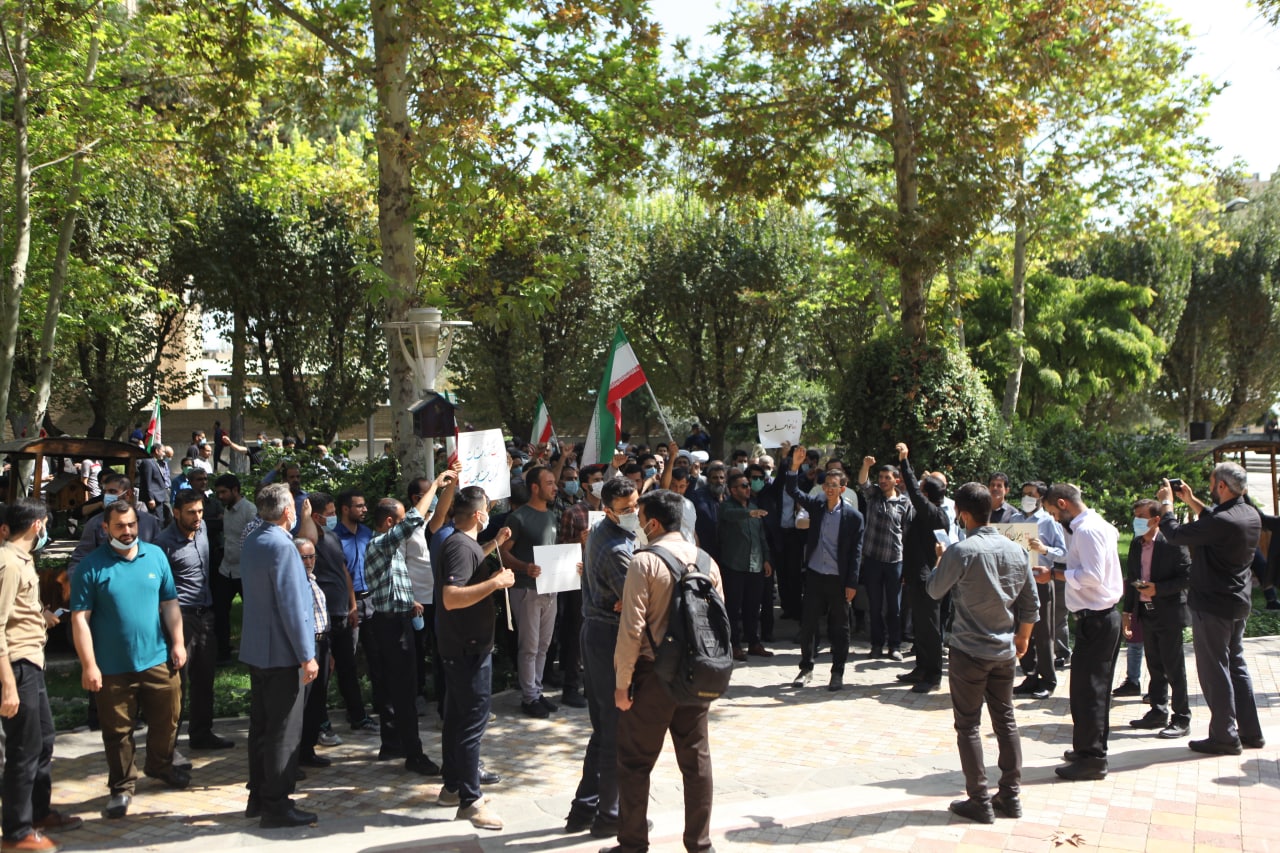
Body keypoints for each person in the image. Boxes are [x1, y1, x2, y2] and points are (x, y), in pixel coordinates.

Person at [611, 489, 722, 853]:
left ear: (654, 523)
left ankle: (632, 845)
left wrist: (622, 683)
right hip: (696, 674)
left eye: (641, 518)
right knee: (697, 762)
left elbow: (632, 629)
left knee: (634, 762)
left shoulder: (644, 562)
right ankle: (700, 845)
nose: (638, 525)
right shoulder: (707, 562)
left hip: (652, 677)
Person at [927, 482, 1038, 824]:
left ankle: (979, 800)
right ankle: (1011, 796)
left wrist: (940, 560)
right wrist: (1022, 638)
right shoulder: (1016, 550)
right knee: (1005, 721)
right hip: (1004, 650)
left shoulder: (960, 550)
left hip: (969, 650)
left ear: (962, 514)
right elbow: (1031, 604)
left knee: (968, 726)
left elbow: (934, 590)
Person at [70, 501, 189, 819]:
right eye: (120, 526)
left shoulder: (156, 556)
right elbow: (80, 619)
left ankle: (160, 765)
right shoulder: (91, 566)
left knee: (169, 718)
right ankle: (122, 787)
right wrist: (89, 665)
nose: (127, 531)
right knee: (117, 731)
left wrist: (178, 643)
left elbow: (170, 603)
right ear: (105, 528)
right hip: (112, 667)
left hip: (157, 659)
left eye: (132, 524)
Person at [1158, 463, 1264, 754]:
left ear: (1222, 486)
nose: (1209, 486)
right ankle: (1251, 732)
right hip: (1237, 602)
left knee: (1215, 670)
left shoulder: (1223, 522)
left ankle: (1224, 737)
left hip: (1213, 606)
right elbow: (1214, 521)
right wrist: (1191, 500)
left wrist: (1167, 504)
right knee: (1236, 666)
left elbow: (1174, 534)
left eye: (1211, 482)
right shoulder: (1248, 513)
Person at [1, 500, 83, 852]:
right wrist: (7, 684)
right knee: (23, 748)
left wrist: (40, 615)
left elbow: (17, 608)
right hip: (16, 667)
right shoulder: (7, 562)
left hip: (32, 663)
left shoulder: (22, 560)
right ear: (38, 525)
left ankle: (38, 811)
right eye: (46, 525)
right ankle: (16, 832)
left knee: (44, 739)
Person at [434, 486, 514, 831]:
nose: (489, 514)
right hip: (467, 648)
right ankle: (470, 800)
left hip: (463, 647)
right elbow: (452, 597)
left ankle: (453, 786)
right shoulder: (458, 546)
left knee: (457, 719)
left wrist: (494, 543)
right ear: (479, 515)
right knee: (471, 723)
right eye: (488, 510)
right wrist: (495, 583)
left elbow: (470, 563)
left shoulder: (463, 544)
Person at [364, 471, 455, 774]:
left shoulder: (386, 548)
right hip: (391, 626)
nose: (407, 523)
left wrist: (408, 601)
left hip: (394, 618)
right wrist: (437, 483)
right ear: (390, 522)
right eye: (401, 519)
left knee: (393, 687)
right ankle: (414, 754)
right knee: (403, 690)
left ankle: (392, 744)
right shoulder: (381, 543)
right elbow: (415, 519)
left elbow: (391, 581)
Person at [240, 484, 318, 828]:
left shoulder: (253, 540)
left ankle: (258, 797)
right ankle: (276, 804)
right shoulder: (283, 546)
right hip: (283, 653)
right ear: (288, 512)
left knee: (261, 728)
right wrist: (307, 655)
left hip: (258, 649)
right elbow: (292, 605)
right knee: (283, 732)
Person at [565, 476, 638, 838]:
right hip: (608, 638)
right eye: (626, 509)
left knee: (605, 729)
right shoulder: (616, 548)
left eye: (636, 505)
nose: (634, 513)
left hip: (599, 632)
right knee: (614, 730)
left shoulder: (610, 533)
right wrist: (637, 597)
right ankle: (609, 815)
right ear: (608, 510)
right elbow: (639, 603)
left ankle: (584, 808)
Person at [1043, 483, 1123, 781]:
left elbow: (1092, 576)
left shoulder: (1088, 530)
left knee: (1091, 691)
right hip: (1094, 618)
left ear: (1063, 503)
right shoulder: (1091, 526)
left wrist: (1054, 574)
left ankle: (1093, 758)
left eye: (1053, 512)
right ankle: (1087, 748)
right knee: (1083, 690)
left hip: (1098, 618)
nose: (1054, 519)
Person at [155, 489, 234, 752]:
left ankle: (202, 734)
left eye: (200, 511)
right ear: (176, 512)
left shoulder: (202, 531)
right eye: (191, 512)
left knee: (205, 679)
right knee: (177, 683)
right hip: (180, 618)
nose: (197, 517)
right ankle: (169, 746)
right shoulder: (163, 543)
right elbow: (158, 589)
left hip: (206, 615)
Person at [784, 446, 862, 692]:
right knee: (808, 624)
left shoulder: (853, 517)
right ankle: (806, 668)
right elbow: (793, 491)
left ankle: (837, 672)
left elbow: (856, 553)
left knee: (839, 627)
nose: (829, 489)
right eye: (826, 484)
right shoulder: (817, 504)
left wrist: (852, 583)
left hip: (839, 579)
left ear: (842, 489)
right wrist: (794, 466)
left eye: (834, 485)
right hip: (816, 574)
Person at [1123, 499, 1193, 739]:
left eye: (1141, 516)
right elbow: (1132, 577)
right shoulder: (1136, 544)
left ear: (1155, 519)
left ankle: (1181, 717)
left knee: (1174, 667)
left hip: (1169, 613)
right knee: (1154, 665)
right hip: (1146, 612)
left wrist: (1158, 589)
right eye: (1135, 516)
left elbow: (1187, 577)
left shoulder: (1172, 543)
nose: (1137, 521)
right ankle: (1157, 711)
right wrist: (1128, 612)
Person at [499, 466, 561, 719]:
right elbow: (502, 552)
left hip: (550, 588)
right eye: (550, 483)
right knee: (529, 646)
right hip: (526, 589)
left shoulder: (552, 515)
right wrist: (525, 567)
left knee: (543, 645)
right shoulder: (518, 517)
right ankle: (529, 697)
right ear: (535, 487)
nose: (555, 487)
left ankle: (536, 690)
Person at [894, 443, 950, 693]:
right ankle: (921, 668)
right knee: (920, 626)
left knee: (930, 628)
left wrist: (904, 461)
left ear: (926, 494)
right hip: (917, 576)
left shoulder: (934, 513)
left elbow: (913, 491)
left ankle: (933, 674)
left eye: (922, 488)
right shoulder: (932, 512)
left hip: (929, 579)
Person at [856, 455, 914, 660]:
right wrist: (866, 465)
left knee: (894, 607)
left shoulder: (905, 503)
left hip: (894, 561)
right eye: (880, 477)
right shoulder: (874, 496)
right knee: (875, 605)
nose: (882, 481)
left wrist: (907, 567)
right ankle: (876, 644)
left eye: (887, 477)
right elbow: (863, 482)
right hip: (872, 559)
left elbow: (907, 535)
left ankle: (894, 645)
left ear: (896, 480)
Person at [1013, 481, 1067, 700]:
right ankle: (1030, 675)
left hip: (1041, 580)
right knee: (1022, 628)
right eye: (1024, 493)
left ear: (1041, 499)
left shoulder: (1049, 521)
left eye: (1031, 494)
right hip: (1018, 581)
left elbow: (1063, 552)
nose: (1026, 498)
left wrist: (1044, 549)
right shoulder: (1015, 520)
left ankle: (1048, 679)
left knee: (1043, 632)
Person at [717, 472, 773, 662]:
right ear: (733, 490)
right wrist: (749, 513)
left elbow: (761, 537)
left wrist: (766, 559)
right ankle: (734, 645)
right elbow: (729, 516)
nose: (748, 488)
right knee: (733, 608)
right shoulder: (726, 507)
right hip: (734, 565)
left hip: (755, 566)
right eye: (743, 486)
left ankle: (754, 643)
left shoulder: (754, 508)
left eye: (748, 485)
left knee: (753, 607)